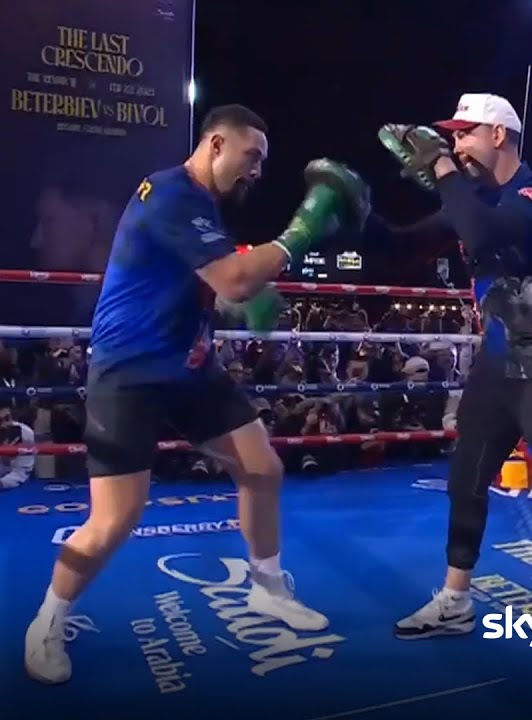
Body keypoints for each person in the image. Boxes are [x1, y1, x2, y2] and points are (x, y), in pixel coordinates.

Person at [23, 104, 371, 684]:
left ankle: (267, 588)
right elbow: (234, 278)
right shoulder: (169, 194)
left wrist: (240, 297)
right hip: (130, 372)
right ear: (214, 145)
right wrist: (303, 231)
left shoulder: (201, 206)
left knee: (261, 468)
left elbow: (221, 284)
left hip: (190, 369)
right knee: (116, 518)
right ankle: (47, 621)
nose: (256, 170)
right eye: (250, 156)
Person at [379, 93, 532, 640]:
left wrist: (441, 168)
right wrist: (348, 209)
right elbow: (403, 242)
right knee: (466, 477)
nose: (454, 144)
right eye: (451, 136)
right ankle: (455, 599)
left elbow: (486, 233)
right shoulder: (473, 197)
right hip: (498, 361)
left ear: (498, 136)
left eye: (464, 134)